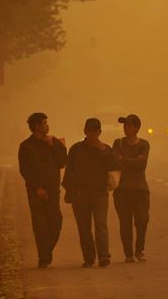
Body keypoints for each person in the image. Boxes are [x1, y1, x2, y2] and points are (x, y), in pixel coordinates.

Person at [62, 118, 116, 268]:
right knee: (84, 228)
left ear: (99, 132)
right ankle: (89, 257)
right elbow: (69, 172)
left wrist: (104, 152)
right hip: (80, 194)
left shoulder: (105, 149)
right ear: (85, 131)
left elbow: (114, 166)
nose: (93, 134)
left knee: (100, 225)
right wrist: (70, 190)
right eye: (90, 130)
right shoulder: (76, 149)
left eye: (96, 131)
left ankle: (104, 256)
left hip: (99, 194)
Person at [18, 112, 67, 268]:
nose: (47, 125)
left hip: (53, 191)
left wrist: (54, 146)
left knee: (56, 223)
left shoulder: (53, 142)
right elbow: (25, 170)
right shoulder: (26, 146)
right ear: (37, 126)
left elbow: (62, 163)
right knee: (40, 226)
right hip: (35, 193)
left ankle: (46, 251)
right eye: (44, 123)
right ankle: (43, 257)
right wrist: (37, 188)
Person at [112, 114, 150, 263]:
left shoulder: (144, 144)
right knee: (125, 222)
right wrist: (132, 161)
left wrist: (124, 160)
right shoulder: (118, 143)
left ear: (137, 128)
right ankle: (128, 253)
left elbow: (141, 164)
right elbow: (115, 159)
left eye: (129, 125)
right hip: (122, 189)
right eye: (124, 125)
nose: (125, 128)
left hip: (140, 190)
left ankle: (139, 250)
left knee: (142, 221)